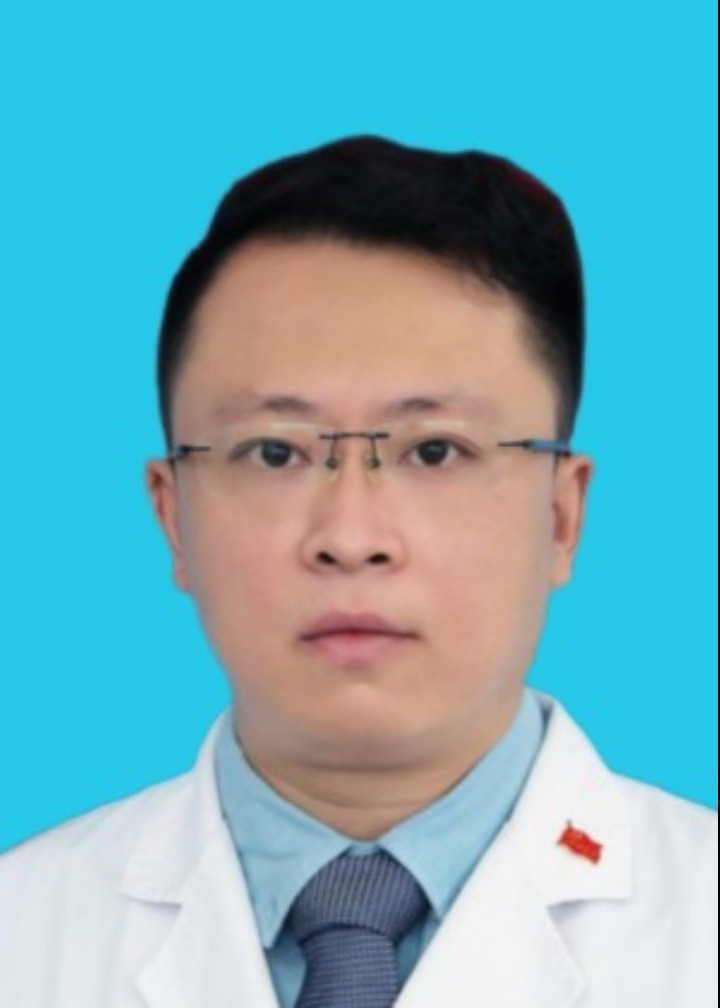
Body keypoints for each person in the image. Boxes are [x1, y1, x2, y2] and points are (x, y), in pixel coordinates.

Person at [0, 136, 715, 1008]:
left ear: (562, 516)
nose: (349, 536)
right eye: (274, 452)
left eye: (435, 450)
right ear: (172, 515)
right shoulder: (20, 931)